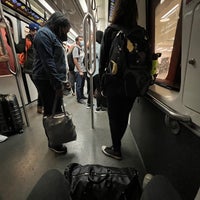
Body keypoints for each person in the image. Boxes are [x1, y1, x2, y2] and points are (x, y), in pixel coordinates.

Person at [99, 0, 141, 160]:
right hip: (133, 81)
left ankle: (116, 149)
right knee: (124, 115)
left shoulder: (110, 30)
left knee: (113, 116)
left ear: (117, 10)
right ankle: (118, 143)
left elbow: (103, 60)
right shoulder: (140, 32)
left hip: (114, 82)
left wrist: (100, 83)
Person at [33, 12, 71, 154]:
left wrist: (63, 81)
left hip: (52, 78)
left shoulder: (53, 35)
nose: (65, 35)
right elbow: (48, 63)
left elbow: (57, 61)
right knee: (51, 112)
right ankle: (53, 142)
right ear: (57, 26)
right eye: (65, 31)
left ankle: (56, 137)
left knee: (56, 110)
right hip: (45, 79)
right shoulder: (43, 35)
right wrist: (57, 85)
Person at [16, 23, 43, 114]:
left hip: (40, 68)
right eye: (33, 31)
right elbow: (18, 49)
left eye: (36, 31)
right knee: (40, 88)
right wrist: (9, 35)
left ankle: (41, 105)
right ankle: (40, 107)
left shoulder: (40, 40)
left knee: (42, 87)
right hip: (31, 69)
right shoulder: (25, 41)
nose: (34, 32)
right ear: (30, 31)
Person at [73, 36, 87, 104]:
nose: (82, 41)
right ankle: (79, 98)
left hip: (83, 69)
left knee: (82, 84)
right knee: (79, 85)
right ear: (77, 41)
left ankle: (82, 95)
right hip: (79, 70)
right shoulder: (76, 48)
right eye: (80, 40)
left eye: (82, 40)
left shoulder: (81, 49)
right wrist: (80, 70)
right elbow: (75, 60)